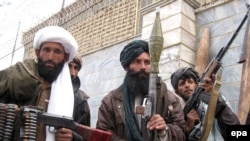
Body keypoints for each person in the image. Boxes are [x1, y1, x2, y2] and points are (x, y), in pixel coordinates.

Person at [0, 26, 82, 141]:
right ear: (38, 53)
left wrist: (73, 137)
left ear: (66, 57)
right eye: (46, 50)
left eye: (57, 52)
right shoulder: (16, 79)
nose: (50, 57)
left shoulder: (76, 98)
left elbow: (85, 133)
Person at [96, 40, 186, 141]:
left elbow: (181, 133)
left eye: (147, 62)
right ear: (127, 66)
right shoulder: (110, 101)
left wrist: (164, 130)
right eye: (137, 61)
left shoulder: (170, 99)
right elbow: (103, 134)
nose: (143, 67)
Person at [170, 67, 240, 141]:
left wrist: (217, 104)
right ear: (177, 92)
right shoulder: (177, 115)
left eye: (190, 81)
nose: (187, 85)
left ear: (197, 85)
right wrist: (188, 130)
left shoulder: (218, 100)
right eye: (182, 83)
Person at [68, 54, 91, 140]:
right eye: (68, 66)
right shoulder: (44, 89)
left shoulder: (82, 101)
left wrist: (72, 136)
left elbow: (86, 136)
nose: (72, 73)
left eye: (76, 68)